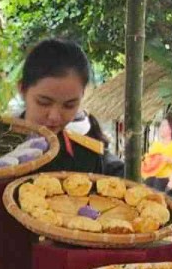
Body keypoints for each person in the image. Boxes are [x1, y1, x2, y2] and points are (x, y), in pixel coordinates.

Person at [17, 38, 118, 174]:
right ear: (22, 90)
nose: (54, 117)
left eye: (69, 105)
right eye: (44, 102)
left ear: (82, 95)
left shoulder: (87, 158)